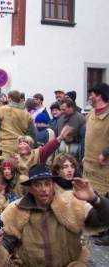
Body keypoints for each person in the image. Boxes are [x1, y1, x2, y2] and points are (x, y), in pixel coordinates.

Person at [1, 163, 109, 266]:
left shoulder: (71, 203)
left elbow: (103, 219)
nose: (43, 189)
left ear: (53, 185)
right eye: (37, 185)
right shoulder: (16, 210)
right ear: (30, 189)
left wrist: (95, 200)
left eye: (47, 183)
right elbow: (4, 243)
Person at [83, 83, 109, 246]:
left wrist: (105, 152)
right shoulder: (91, 114)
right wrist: (85, 156)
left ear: (100, 95)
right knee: (94, 195)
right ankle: (100, 227)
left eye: (92, 94)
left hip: (105, 166)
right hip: (91, 164)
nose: (90, 97)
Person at [0, 90, 36, 157]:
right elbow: (32, 135)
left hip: (5, 148)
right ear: (19, 100)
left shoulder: (1, 110)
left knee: (5, 166)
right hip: (22, 149)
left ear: (9, 99)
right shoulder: (28, 115)